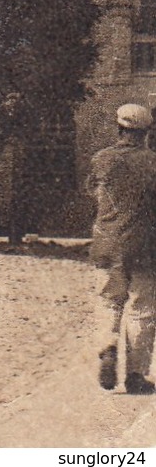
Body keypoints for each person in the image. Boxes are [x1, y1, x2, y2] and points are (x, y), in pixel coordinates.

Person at [88, 103, 156, 394]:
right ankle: (136, 376)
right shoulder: (153, 162)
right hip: (145, 245)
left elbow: (92, 192)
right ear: (146, 132)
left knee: (109, 300)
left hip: (107, 241)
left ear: (118, 128)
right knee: (143, 308)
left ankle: (108, 345)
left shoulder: (100, 159)